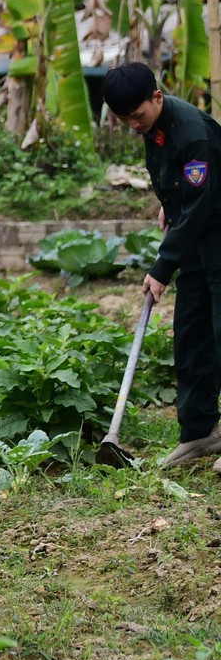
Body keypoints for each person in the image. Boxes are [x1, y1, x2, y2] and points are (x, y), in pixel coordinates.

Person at [100, 62, 221, 470]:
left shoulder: (192, 132)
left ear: (157, 97)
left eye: (137, 116)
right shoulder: (155, 128)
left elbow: (202, 205)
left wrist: (161, 266)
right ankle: (200, 432)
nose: (133, 125)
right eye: (124, 119)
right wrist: (169, 206)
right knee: (191, 336)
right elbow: (186, 193)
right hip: (197, 245)